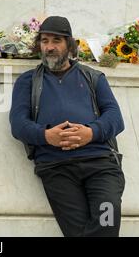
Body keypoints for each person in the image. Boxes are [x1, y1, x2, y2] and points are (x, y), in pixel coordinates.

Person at [9, 16, 125, 237]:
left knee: (107, 220)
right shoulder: (28, 81)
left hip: (101, 166)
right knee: (77, 231)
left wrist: (91, 132)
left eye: (56, 41)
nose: (49, 47)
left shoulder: (93, 77)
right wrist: (46, 135)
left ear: (69, 44)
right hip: (56, 169)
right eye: (44, 41)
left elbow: (115, 118)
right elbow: (18, 124)